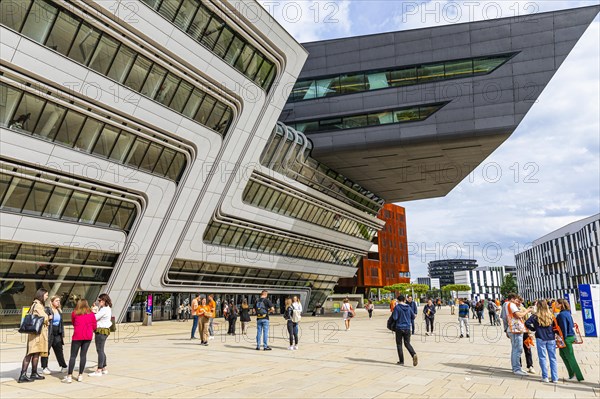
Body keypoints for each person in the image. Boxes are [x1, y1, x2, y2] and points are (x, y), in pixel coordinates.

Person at [18, 288, 50, 383]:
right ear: (41, 295)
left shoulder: (36, 304)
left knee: (36, 353)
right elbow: (44, 317)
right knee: (30, 353)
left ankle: (34, 373)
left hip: (37, 333)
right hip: (36, 334)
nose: (47, 297)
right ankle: (23, 375)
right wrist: (49, 317)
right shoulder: (37, 305)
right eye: (46, 295)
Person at [62, 299, 97, 383]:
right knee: (83, 355)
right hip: (88, 336)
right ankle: (80, 375)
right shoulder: (91, 314)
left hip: (77, 336)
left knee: (73, 356)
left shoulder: (74, 313)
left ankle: (69, 376)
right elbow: (94, 325)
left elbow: (73, 323)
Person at [525, 300, 558, 383]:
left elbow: (527, 323)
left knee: (542, 358)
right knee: (553, 358)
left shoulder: (535, 316)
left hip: (540, 337)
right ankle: (555, 378)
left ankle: (545, 377)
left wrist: (533, 329)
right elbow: (555, 326)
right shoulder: (551, 315)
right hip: (551, 338)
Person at [556, 299, 584, 382]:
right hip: (569, 336)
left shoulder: (561, 315)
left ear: (560, 304)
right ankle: (572, 374)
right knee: (563, 355)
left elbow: (563, 327)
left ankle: (578, 376)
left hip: (566, 338)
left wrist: (562, 339)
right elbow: (571, 324)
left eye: (556, 303)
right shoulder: (567, 313)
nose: (555, 305)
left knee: (570, 357)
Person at [504, 295, 532, 376]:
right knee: (518, 349)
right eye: (516, 300)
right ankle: (516, 368)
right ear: (512, 299)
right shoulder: (511, 305)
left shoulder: (506, 304)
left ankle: (516, 367)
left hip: (512, 329)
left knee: (515, 349)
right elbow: (519, 315)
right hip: (516, 330)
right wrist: (527, 310)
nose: (518, 302)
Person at [41, 295, 67, 375]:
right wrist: (48, 318)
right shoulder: (47, 310)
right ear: (51, 302)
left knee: (59, 350)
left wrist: (62, 333)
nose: (58, 302)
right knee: (46, 351)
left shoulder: (59, 310)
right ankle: (44, 367)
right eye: (56, 301)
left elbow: (60, 324)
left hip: (57, 333)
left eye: (59, 301)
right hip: (49, 333)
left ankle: (63, 366)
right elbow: (41, 319)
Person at [89, 293, 112, 377]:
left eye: (100, 300)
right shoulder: (107, 308)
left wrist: (92, 312)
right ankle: (104, 368)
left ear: (104, 300)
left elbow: (94, 318)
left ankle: (99, 370)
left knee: (100, 350)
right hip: (104, 331)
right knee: (101, 350)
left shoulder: (104, 309)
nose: (99, 302)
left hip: (101, 331)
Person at [392, 295, 418, 366]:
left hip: (399, 328)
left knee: (399, 344)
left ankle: (401, 361)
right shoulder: (408, 307)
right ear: (404, 300)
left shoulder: (397, 307)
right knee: (407, 343)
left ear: (398, 300)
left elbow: (395, 317)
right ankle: (413, 354)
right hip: (407, 328)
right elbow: (413, 316)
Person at [517, 297, 536, 374]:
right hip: (516, 332)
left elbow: (527, 322)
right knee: (518, 349)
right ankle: (519, 365)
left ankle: (530, 365)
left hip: (524, 331)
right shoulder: (511, 309)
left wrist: (529, 332)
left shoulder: (523, 309)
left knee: (527, 348)